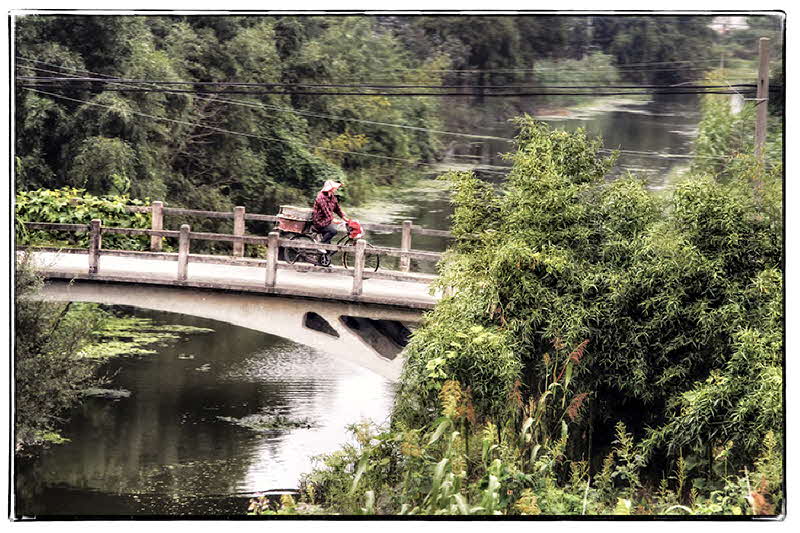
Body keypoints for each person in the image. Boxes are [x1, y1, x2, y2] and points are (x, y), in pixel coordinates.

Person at [311, 180, 349, 244]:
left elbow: (337, 208)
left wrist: (344, 218)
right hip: (319, 221)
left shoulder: (332, 196)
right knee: (333, 231)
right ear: (330, 188)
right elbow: (326, 211)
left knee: (328, 248)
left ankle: (325, 251)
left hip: (326, 221)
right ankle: (320, 245)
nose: (336, 189)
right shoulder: (321, 197)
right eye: (334, 187)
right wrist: (333, 220)